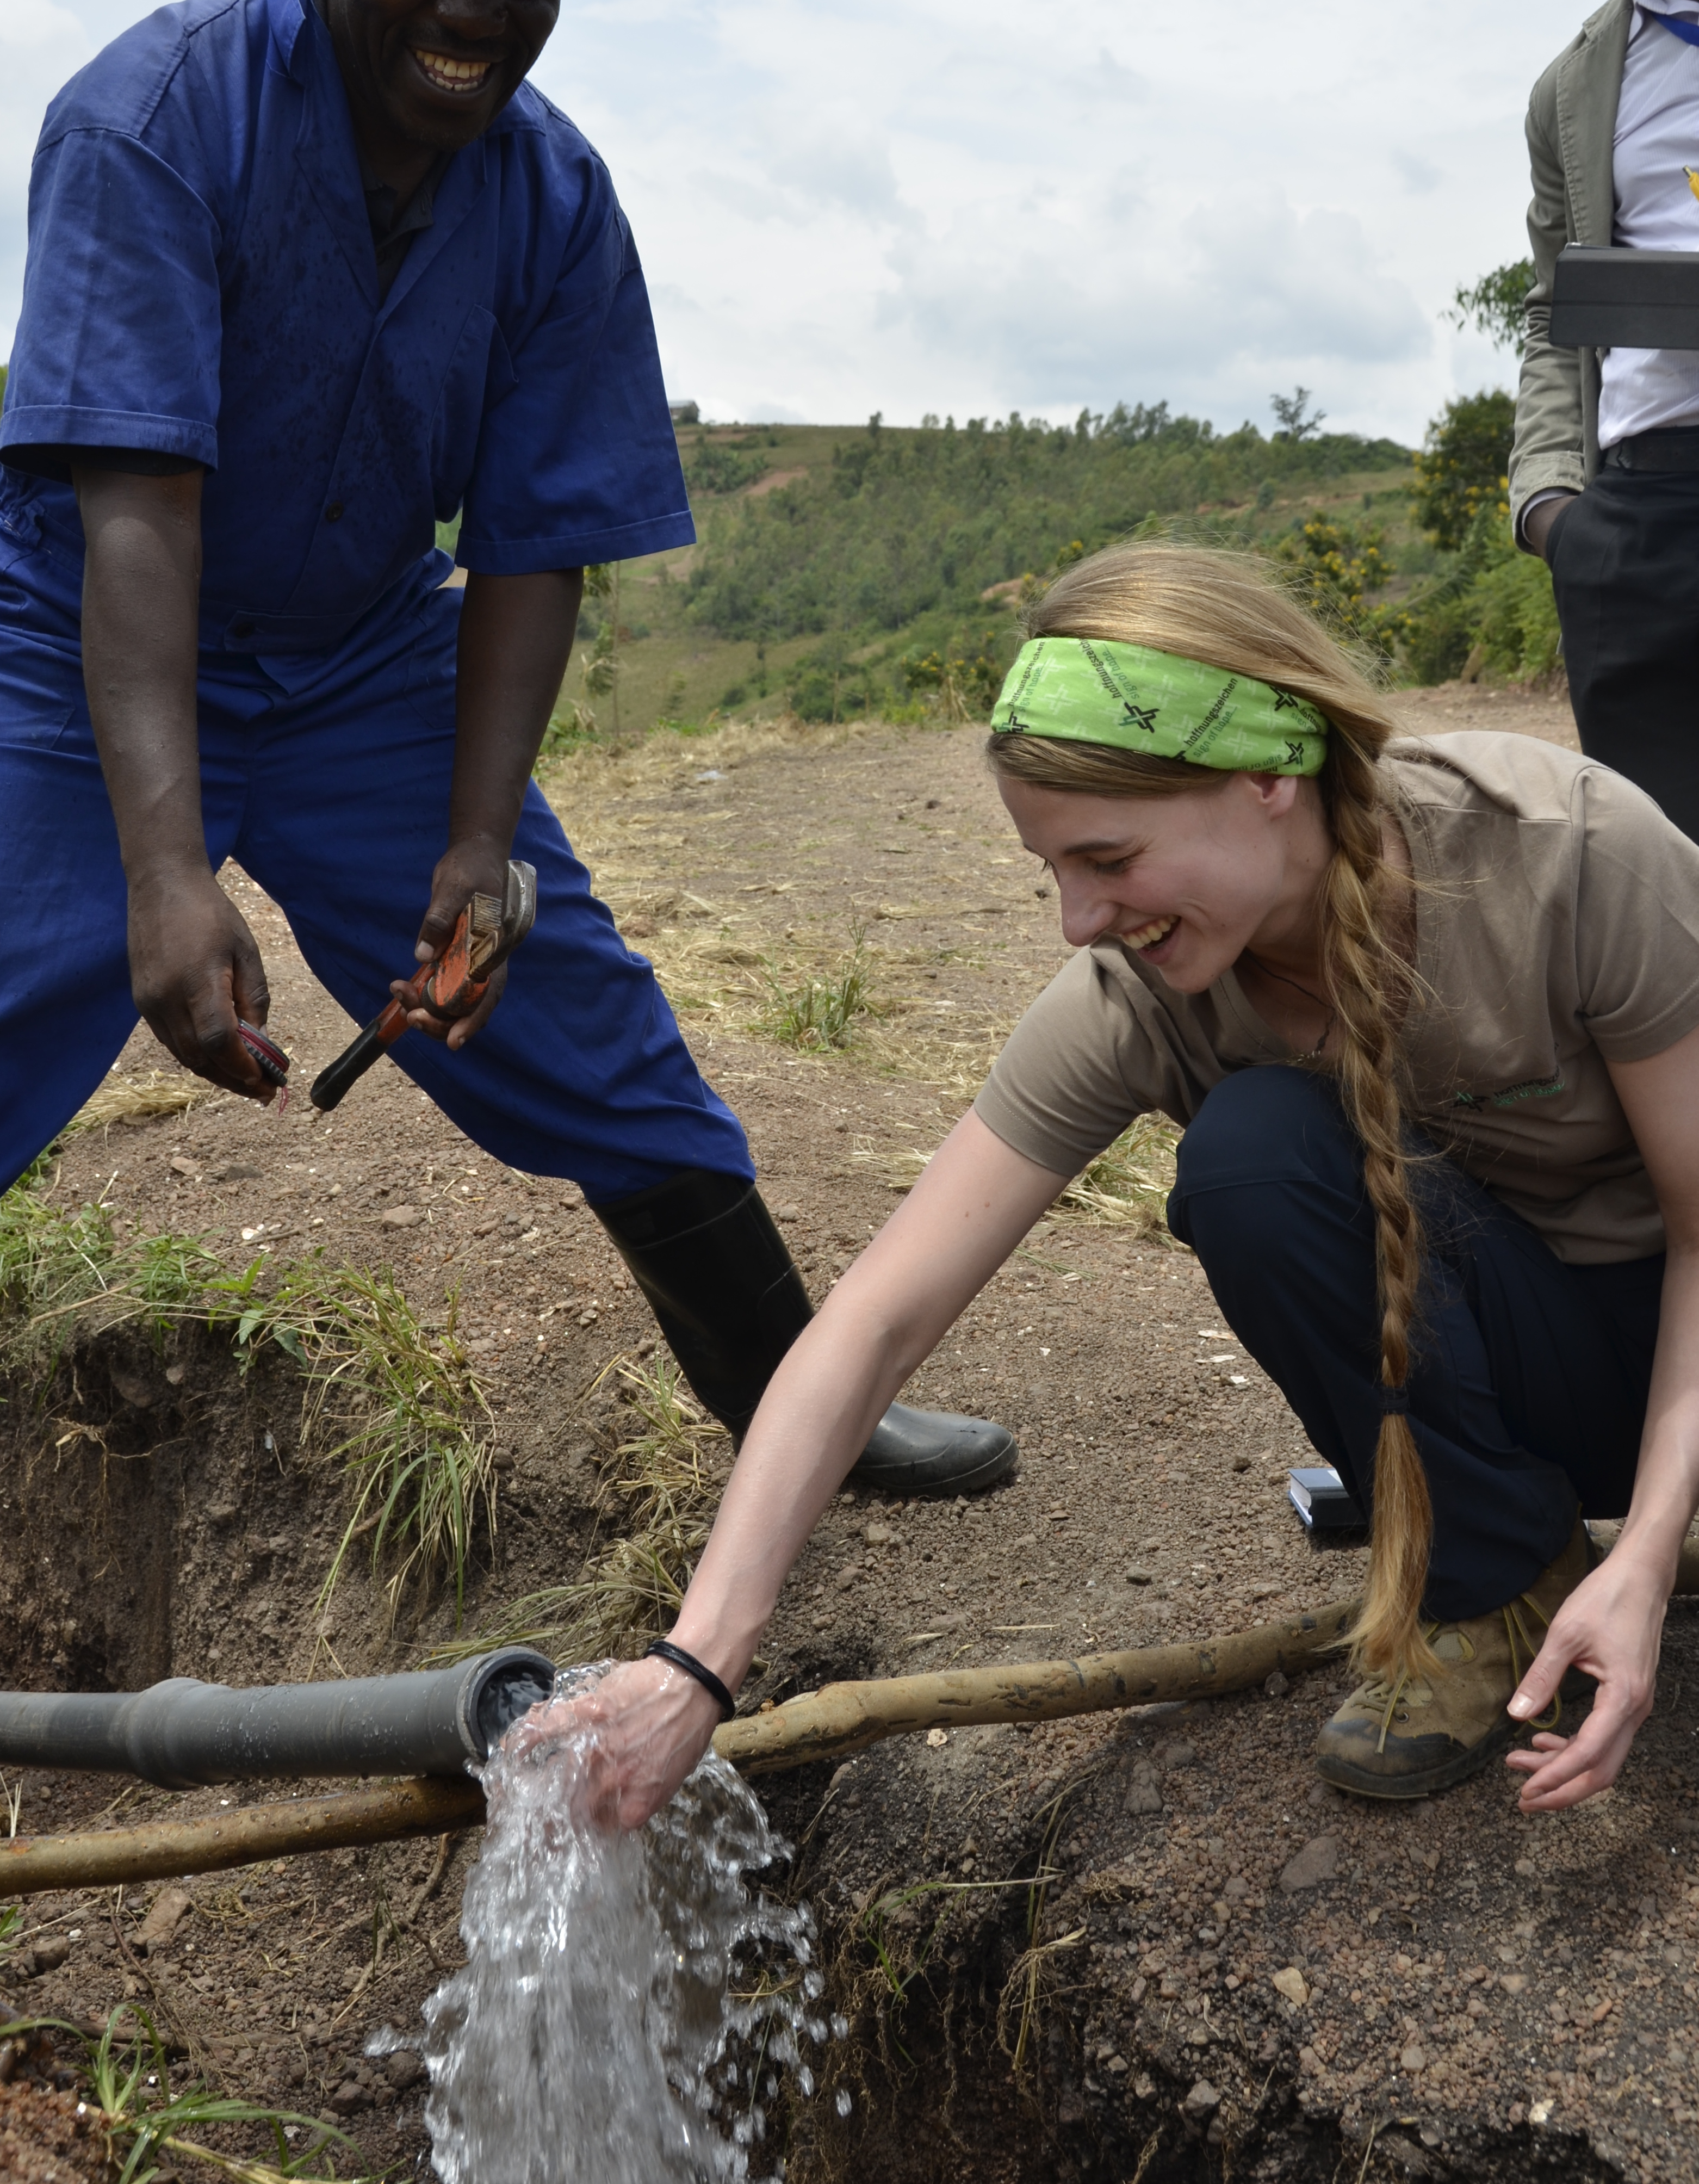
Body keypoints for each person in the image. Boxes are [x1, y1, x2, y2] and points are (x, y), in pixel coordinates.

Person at [0, 0, 1014, 1502]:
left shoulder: (555, 195)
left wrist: (479, 841)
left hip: (364, 655)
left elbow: (531, 541)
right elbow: (135, 515)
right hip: (78, 650)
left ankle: (802, 1422)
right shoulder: (153, 118)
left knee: (586, 1018)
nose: (470, 12)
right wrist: (164, 871)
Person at [550, 543, 1699, 1824]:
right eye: (1053, 870)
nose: (1077, 919)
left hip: (1676, 1339)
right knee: (1254, 1157)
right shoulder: (1138, 999)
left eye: (1109, 857)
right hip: (1538, 1372)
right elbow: (875, 1321)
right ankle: (1493, 1581)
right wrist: (698, 1659)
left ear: (1270, 774)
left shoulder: (1566, 854)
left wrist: (1649, 1554)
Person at [1514, 0, 1699, 842]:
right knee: (1663, 890)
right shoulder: (1574, 89)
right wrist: (1550, 508)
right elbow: (1552, 311)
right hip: (1635, 525)